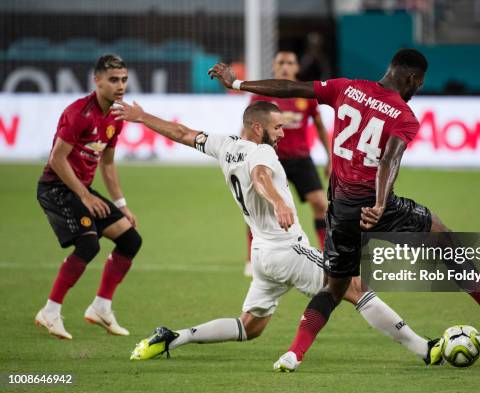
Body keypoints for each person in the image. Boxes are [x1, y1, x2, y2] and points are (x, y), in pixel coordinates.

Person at [208, 48, 480, 372]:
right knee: (447, 241)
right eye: (418, 84)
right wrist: (380, 204)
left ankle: (294, 354)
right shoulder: (404, 117)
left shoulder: (346, 88)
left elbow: (292, 88)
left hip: (340, 212)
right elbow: (390, 159)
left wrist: (238, 85)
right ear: (411, 77)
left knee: (334, 289)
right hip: (377, 206)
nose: (417, 90)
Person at [111, 100, 441, 365]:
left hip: (263, 256)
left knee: (249, 326)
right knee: (355, 287)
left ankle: (174, 337)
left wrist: (142, 116)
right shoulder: (262, 151)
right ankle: (424, 349)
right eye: (278, 127)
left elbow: (182, 132)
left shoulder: (225, 145)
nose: (283, 133)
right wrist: (278, 203)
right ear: (258, 127)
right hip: (287, 250)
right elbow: (260, 177)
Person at [34, 54, 142, 340]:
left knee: (130, 238)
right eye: (113, 80)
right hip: (56, 187)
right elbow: (57, 159)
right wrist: (84, 195)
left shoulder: (116, 117)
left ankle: (101, 308)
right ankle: (50, 311)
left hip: (81, 189)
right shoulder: (78, 113)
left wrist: (122, 205)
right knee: (88, 245)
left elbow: (107, 164)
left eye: (124, 80)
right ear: (97, 81)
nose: (120, 86)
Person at [243, 50, 331, 277]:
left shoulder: (306, 95)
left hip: (301, 158)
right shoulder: (260, 95)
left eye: (290, 62)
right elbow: (246, 129)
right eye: (280, 62)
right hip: (270, 159)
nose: (285, 66)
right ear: (274, 67)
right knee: (259, 207)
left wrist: (330, 157)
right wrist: (243, 154)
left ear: (296, 68)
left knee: (321, 205)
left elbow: (320, 127)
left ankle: (326, 255)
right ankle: (252, 259)